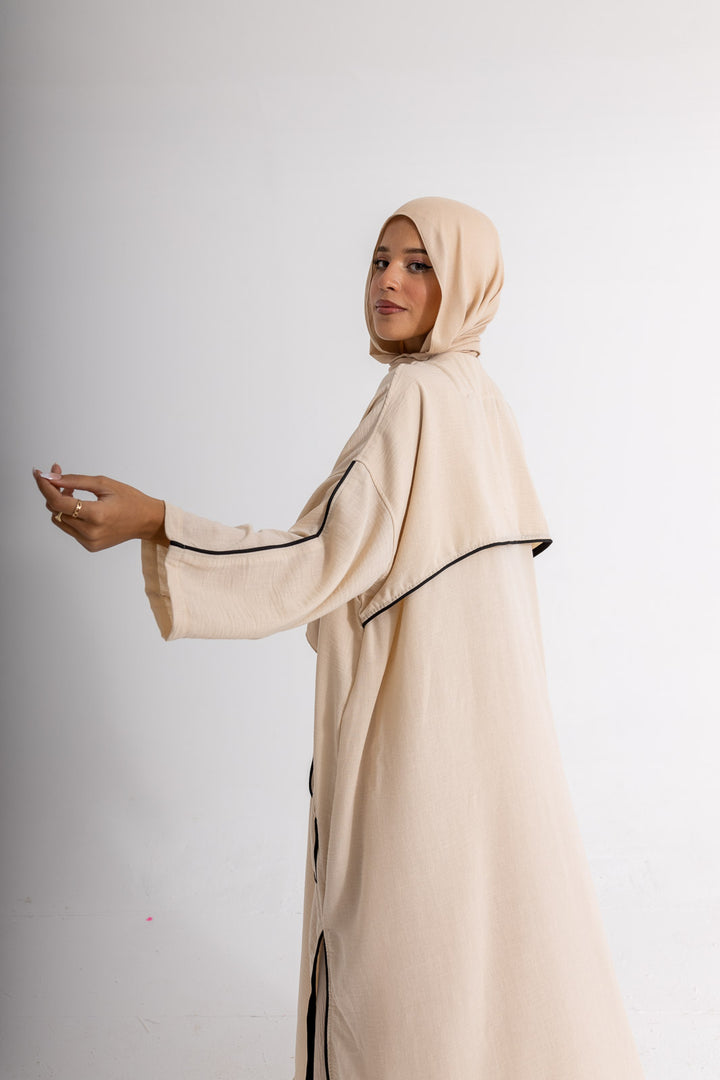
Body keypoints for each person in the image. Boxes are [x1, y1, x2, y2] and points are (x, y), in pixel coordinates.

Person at [33, 197, 646, 1080]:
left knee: (391, 963)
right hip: (488, 752)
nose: (389, 280)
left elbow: (322, 556)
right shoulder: (479, 398)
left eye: (419, 264)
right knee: (481, 958)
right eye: (380, 259)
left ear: (465, 283)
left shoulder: (417, 397)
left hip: (417, 752)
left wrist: (157, 522)